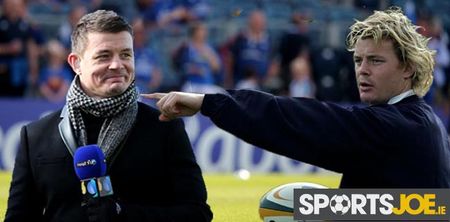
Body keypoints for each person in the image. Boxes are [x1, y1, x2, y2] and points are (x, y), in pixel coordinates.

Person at [143, 7, 450, 188]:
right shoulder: (425, 121)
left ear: (408, 68)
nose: (363, 71)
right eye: (358, 61)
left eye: (376, 61)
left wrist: (210, 102)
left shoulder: (397, 126)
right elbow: (399, 208)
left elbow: (294, 119)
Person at [5, 10, 212, 221]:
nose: (117, 65)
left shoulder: (165, 128)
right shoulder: (36, 136)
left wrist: (123, 214)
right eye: (104, 55)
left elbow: (198, 213)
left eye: (125, 54)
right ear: (76, 63)